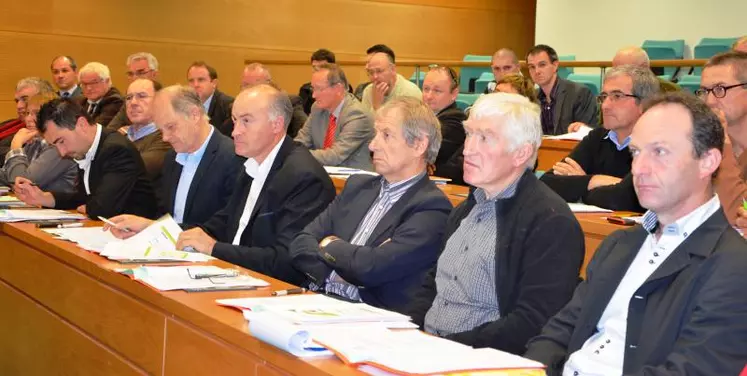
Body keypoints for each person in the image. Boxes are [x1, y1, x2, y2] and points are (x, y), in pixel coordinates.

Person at [525, 92, 747, 375]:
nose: (639, 168)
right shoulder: (620, 243)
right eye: (636, 152)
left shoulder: (734, 265)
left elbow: (692, 370)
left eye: (660, 152)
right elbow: (561, 330)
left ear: (707, 162)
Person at [406, 93, 585, 355]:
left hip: (481, 360)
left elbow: (532, 323)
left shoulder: (550, 222)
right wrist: (407, 331)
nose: (467, 149)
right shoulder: (467, 208)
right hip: (430, 349)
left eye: (485, 138)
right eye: (469, 135)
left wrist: (445, 348)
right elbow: (434, 284)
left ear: (521, 153)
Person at [106, 85, 336, 285]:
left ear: (276, 125)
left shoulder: (303, 177)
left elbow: (288, 262)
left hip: (270, 289)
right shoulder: (254, 164)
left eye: (246, 121)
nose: (235, 131)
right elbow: (223, 223)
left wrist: (213, 248)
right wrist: (154, 230)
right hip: (236, 276)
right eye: (235, 121)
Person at [291, 97, 451, 313]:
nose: (372, 144)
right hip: (317, 300)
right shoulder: (358, 186)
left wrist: (328, 244)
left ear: (419, 145)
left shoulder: (431, 207)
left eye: (386, 135)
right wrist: (338, 273)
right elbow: (301, 243)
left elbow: (372, 268)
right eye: (376, 134)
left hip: (369, 319)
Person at [105, 85, 242, 228]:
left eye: (170, 127)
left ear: (194, 115)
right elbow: (165, 213)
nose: (165, 138)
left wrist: (151, 227)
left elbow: (224, 228)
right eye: (161, 129)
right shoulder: (172, 157)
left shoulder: (232, 158)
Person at [540, 65, 659, 212]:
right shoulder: (597, 137)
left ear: (643, 103)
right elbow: (547, 183)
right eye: (604, 97)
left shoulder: (654, 145)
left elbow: (627, 198)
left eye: (617, 96)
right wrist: (595, 180)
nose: (605, 106)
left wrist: (580, 185)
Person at [14, 98, 157, 219]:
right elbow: (84, 197)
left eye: (61, 141)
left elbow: (102, 208)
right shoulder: (85, 146)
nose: (62, 152)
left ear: (81, 124)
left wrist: (89, 206)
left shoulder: (116, 150)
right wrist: (44, 198)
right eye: (55, 145)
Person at [294, 63, 374, 170]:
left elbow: (334, 156)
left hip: (352, 181)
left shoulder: (357, 115)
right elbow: (301, 141)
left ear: (338, 89)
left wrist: (296, 155)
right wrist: (291, 151)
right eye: (313, 89)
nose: (314, 95)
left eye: (319, 89)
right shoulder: (317, 108)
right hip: (323, 176)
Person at [701, 51, 747, 224]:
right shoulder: (701, 143)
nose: (710, 101)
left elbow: (735, 214)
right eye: (705, 91)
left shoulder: (719, 145)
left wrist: (723, 143)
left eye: (720, 89)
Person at [0, 92, 77, 192]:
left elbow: (23, 183)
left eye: (36, 113)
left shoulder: (58, 146)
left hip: (63, 207)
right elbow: (9, 174)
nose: (28, 119)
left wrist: (16, 147)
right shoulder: (35, 142)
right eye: (27, 113)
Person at [526, 44, 598, 135]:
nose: (537, 71)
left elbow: (588, 134)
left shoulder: (579, 93)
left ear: (555, 65)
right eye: (532, 67)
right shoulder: (531, 98)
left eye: (542, 65)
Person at [123, 78, 172, 188]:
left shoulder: (166, 138)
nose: (133, 103)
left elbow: (133, 172)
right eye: (129, 98)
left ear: (160, 102)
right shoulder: (122, 136)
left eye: (142, 96)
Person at [422, 66, 466, 184]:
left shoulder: (455, 119)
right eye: (426, 89)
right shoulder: (422, 117)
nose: (429, 96)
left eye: (437, 91)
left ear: (454, 93)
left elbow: (423, 152)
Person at [240, 62, 308, 138]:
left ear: (268, 85)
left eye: (252, 86)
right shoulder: (237, 111)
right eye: (244, 86)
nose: (246, 91)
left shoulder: (290, 104)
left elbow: (304, 135)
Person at [0, 77, 55, 162]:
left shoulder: (43, 137)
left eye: (25, 99)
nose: (19, 106)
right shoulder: (9, 123)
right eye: (17, 101)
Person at [360, 44, 422, 111]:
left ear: (393, 69)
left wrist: (377, 107)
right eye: (371, 72)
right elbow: (364, 121)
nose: (375, 77)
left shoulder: (410, 92)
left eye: (379, 71)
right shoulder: (368, 91)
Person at [108, 52, 161, 129]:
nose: (135, 78)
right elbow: (110, 130)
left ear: (154, 74)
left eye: (141, 73)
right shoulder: (129, 100)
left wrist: (129, 129)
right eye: (130, 74)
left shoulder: (166, 100)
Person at [187, 61, 234, 136]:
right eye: (191, 81)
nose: (195, 85)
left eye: (201, 80)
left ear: (214, 83)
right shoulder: (184, 106)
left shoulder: (228, 106)